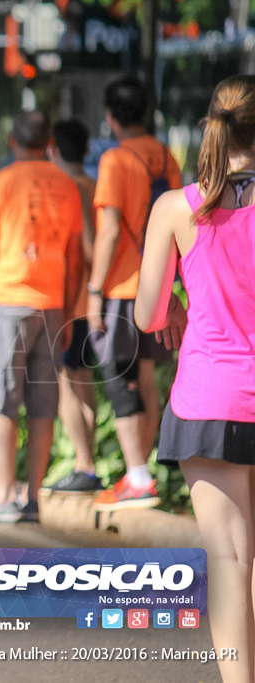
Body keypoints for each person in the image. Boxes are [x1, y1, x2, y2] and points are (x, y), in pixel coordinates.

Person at [135, 75, 255, 683]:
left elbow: (148, 315)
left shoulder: (178, 209)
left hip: (211, 398)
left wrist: (182, 304)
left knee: (229, 557)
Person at [0, 110, 83, 525]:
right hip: (52, 304)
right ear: (49, 143)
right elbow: (75, 257)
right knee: (42, 402)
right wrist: (67, 310)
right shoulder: (66, 185)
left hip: (6, 298)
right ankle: (33, 498)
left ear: (12, 141)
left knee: (0, 399)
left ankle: (2, 495)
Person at [87, 76, 182, 511]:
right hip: (160, 284)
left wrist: (93, 291)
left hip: (124, 287)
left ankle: (138, 476)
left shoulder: (115, 159)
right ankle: (140, 471)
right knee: (145, 377)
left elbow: (108, 232)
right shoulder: (165, 156)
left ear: (111, 117)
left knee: (119, 378)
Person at [44, 118, 103, 493]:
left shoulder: (71, 187)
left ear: (52, 148)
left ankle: (85, 466)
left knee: (67, 382)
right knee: (82, 381)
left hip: (74, 301)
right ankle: (89, 466)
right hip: (91, 299)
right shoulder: (95, 183)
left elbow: (86, 245)